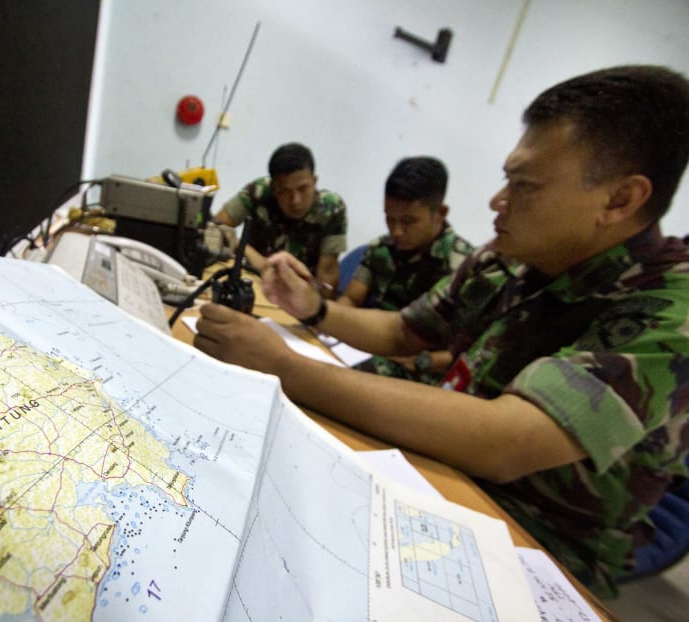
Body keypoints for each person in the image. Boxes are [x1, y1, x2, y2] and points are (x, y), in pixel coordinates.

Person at [194, 65, 689, 598]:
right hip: (436, 473)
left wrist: (284, 366)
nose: (498, 202)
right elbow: (404, 332)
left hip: (541, 546)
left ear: (620, 200)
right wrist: (316, 310)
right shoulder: (515, 257)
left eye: (524, 185)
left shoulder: (669, 308)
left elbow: (506, 440)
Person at [338, 156, 474, 383]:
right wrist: (334, 324)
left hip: (418, 374)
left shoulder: (466, 268)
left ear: (440, 213)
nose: (397, 231)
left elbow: (467, 356)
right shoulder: (381, 249)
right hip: (366, 348)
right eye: (390, 219)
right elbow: (351, 298)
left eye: (408, 221)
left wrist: (420, 361)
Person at [211, 142, 347, 295]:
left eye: (303, 189)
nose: (296, 200)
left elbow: (327, 280)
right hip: (252, 286)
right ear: (274, 188)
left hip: (301, 296)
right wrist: (255, 258)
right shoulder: (259, 191)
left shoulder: (331, 209)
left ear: (314, 181)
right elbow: (215, 228)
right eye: (285, 191)